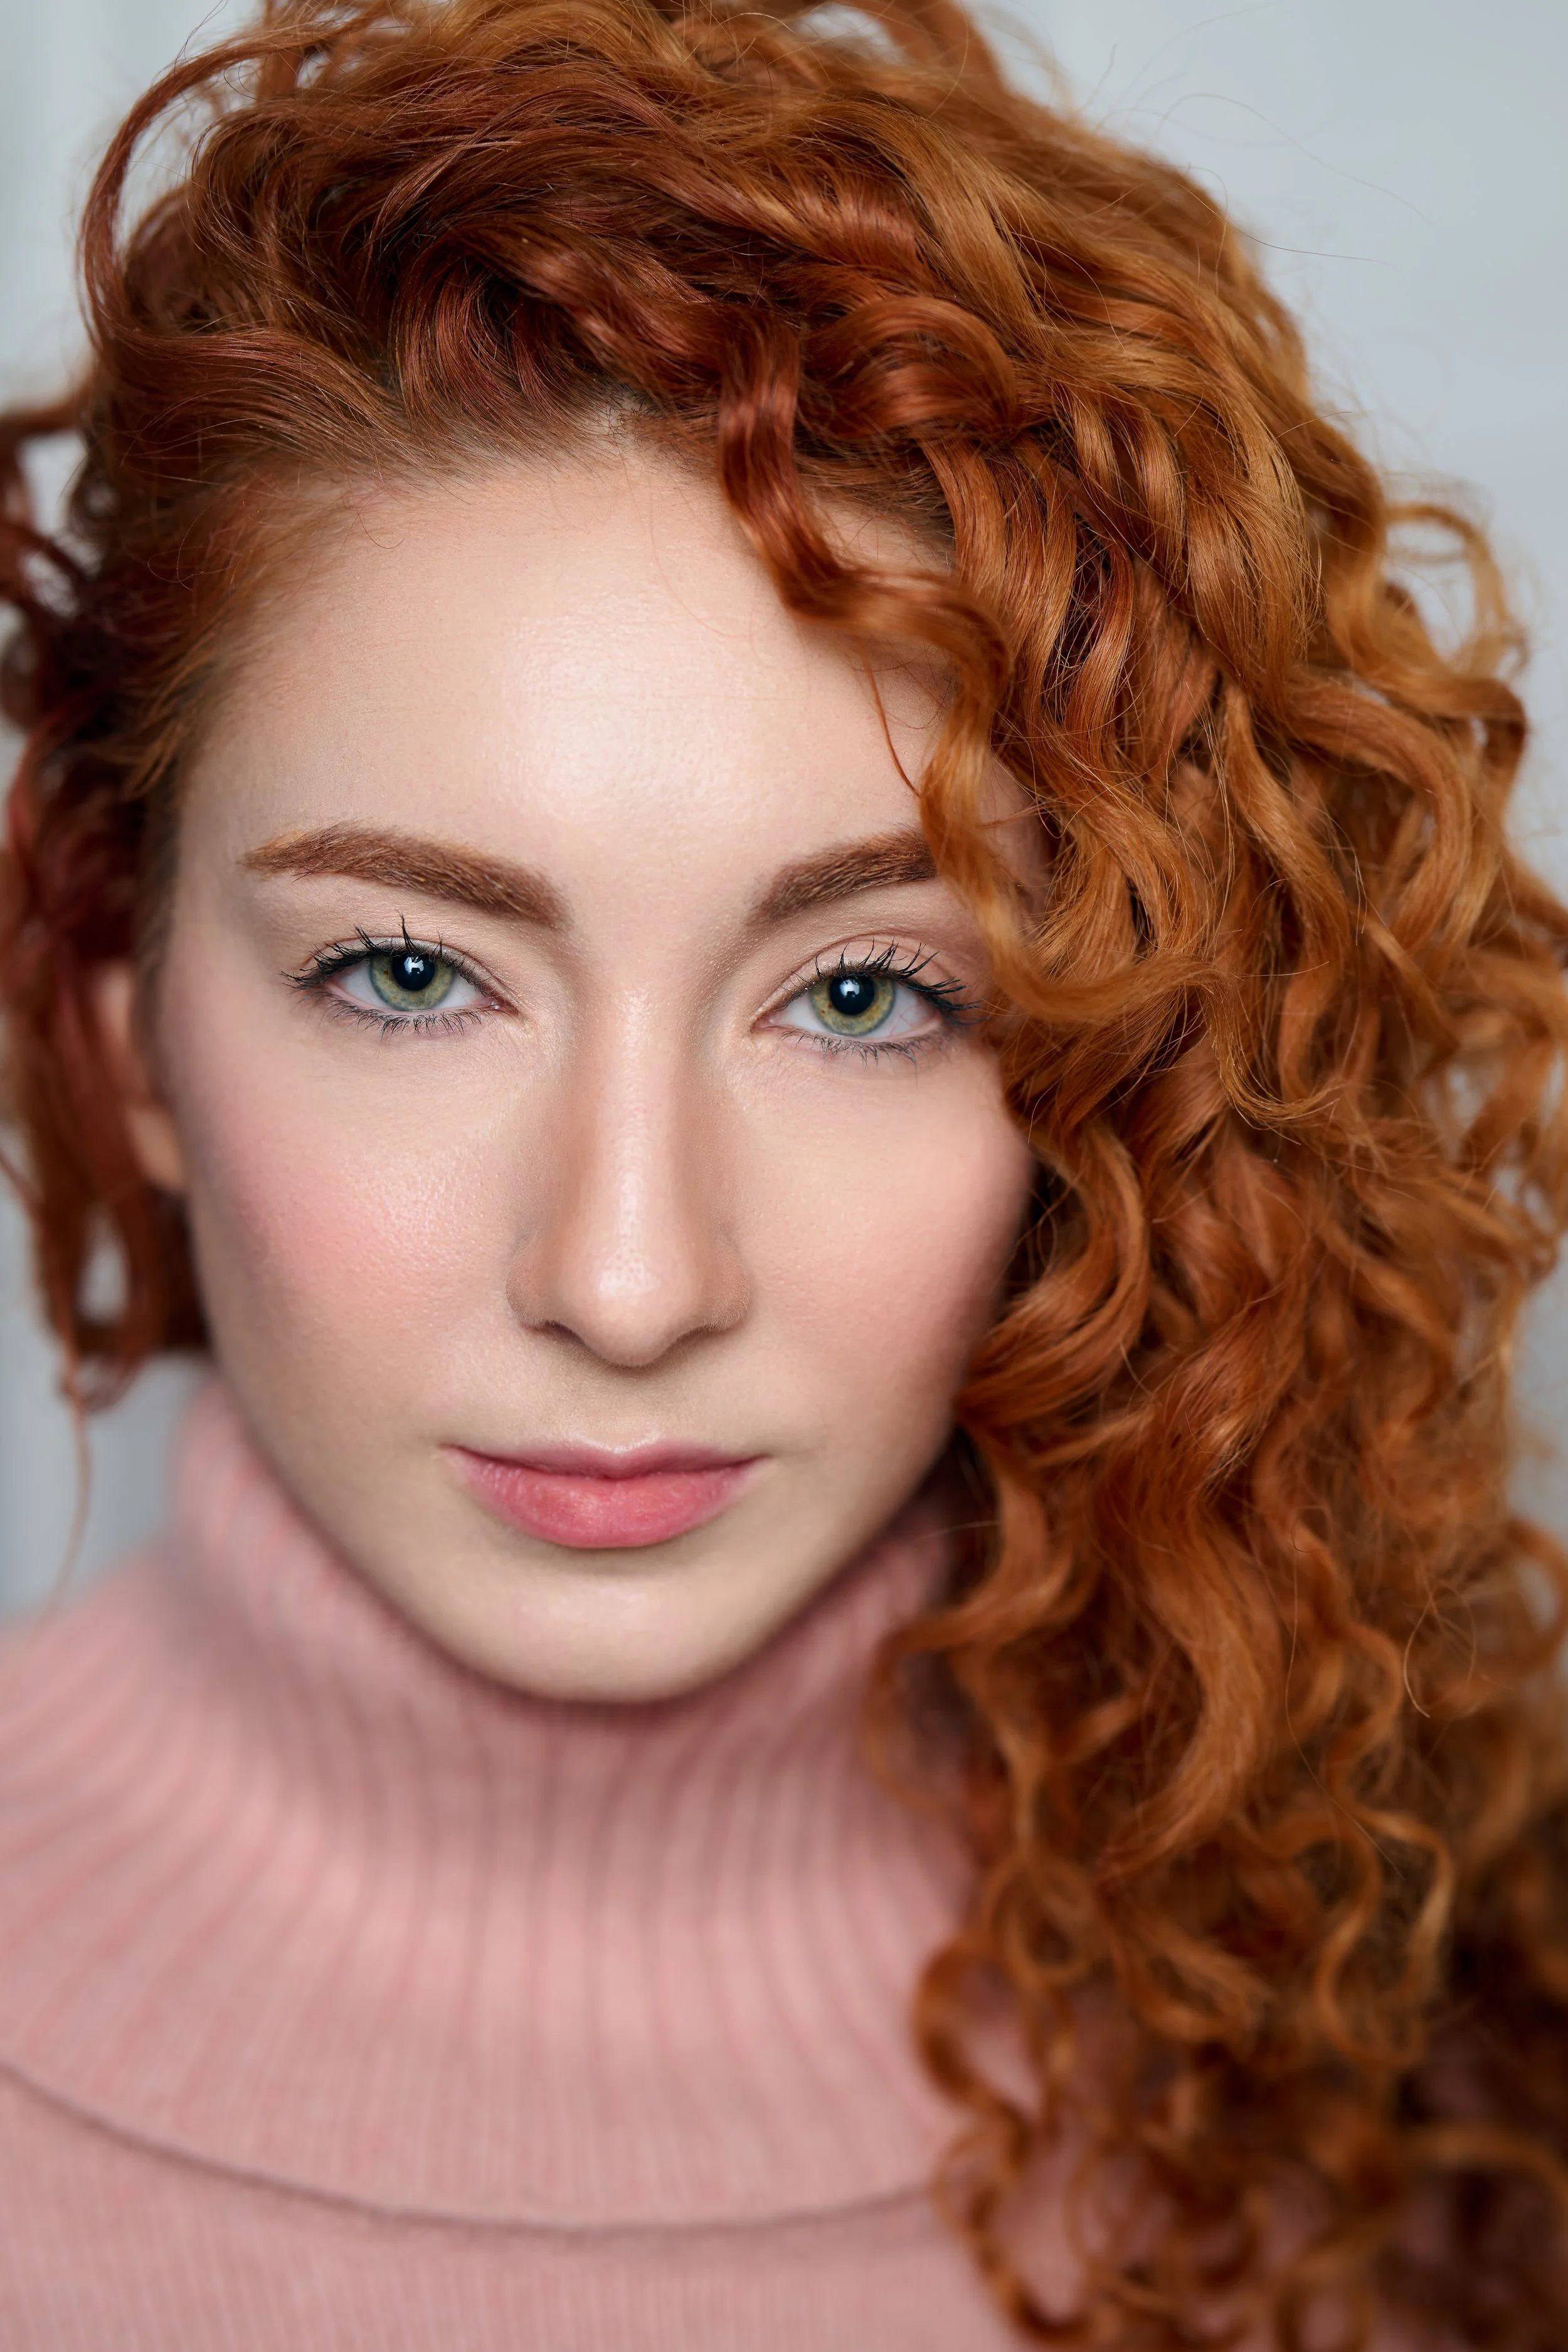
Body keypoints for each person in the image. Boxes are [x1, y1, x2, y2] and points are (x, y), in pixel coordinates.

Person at [0, 0, 1564, 2341]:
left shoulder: (1416, 2073)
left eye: (859, 995)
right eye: (412, 974)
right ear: (120, 1022)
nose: (630, 1279)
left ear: (1109, 1072)